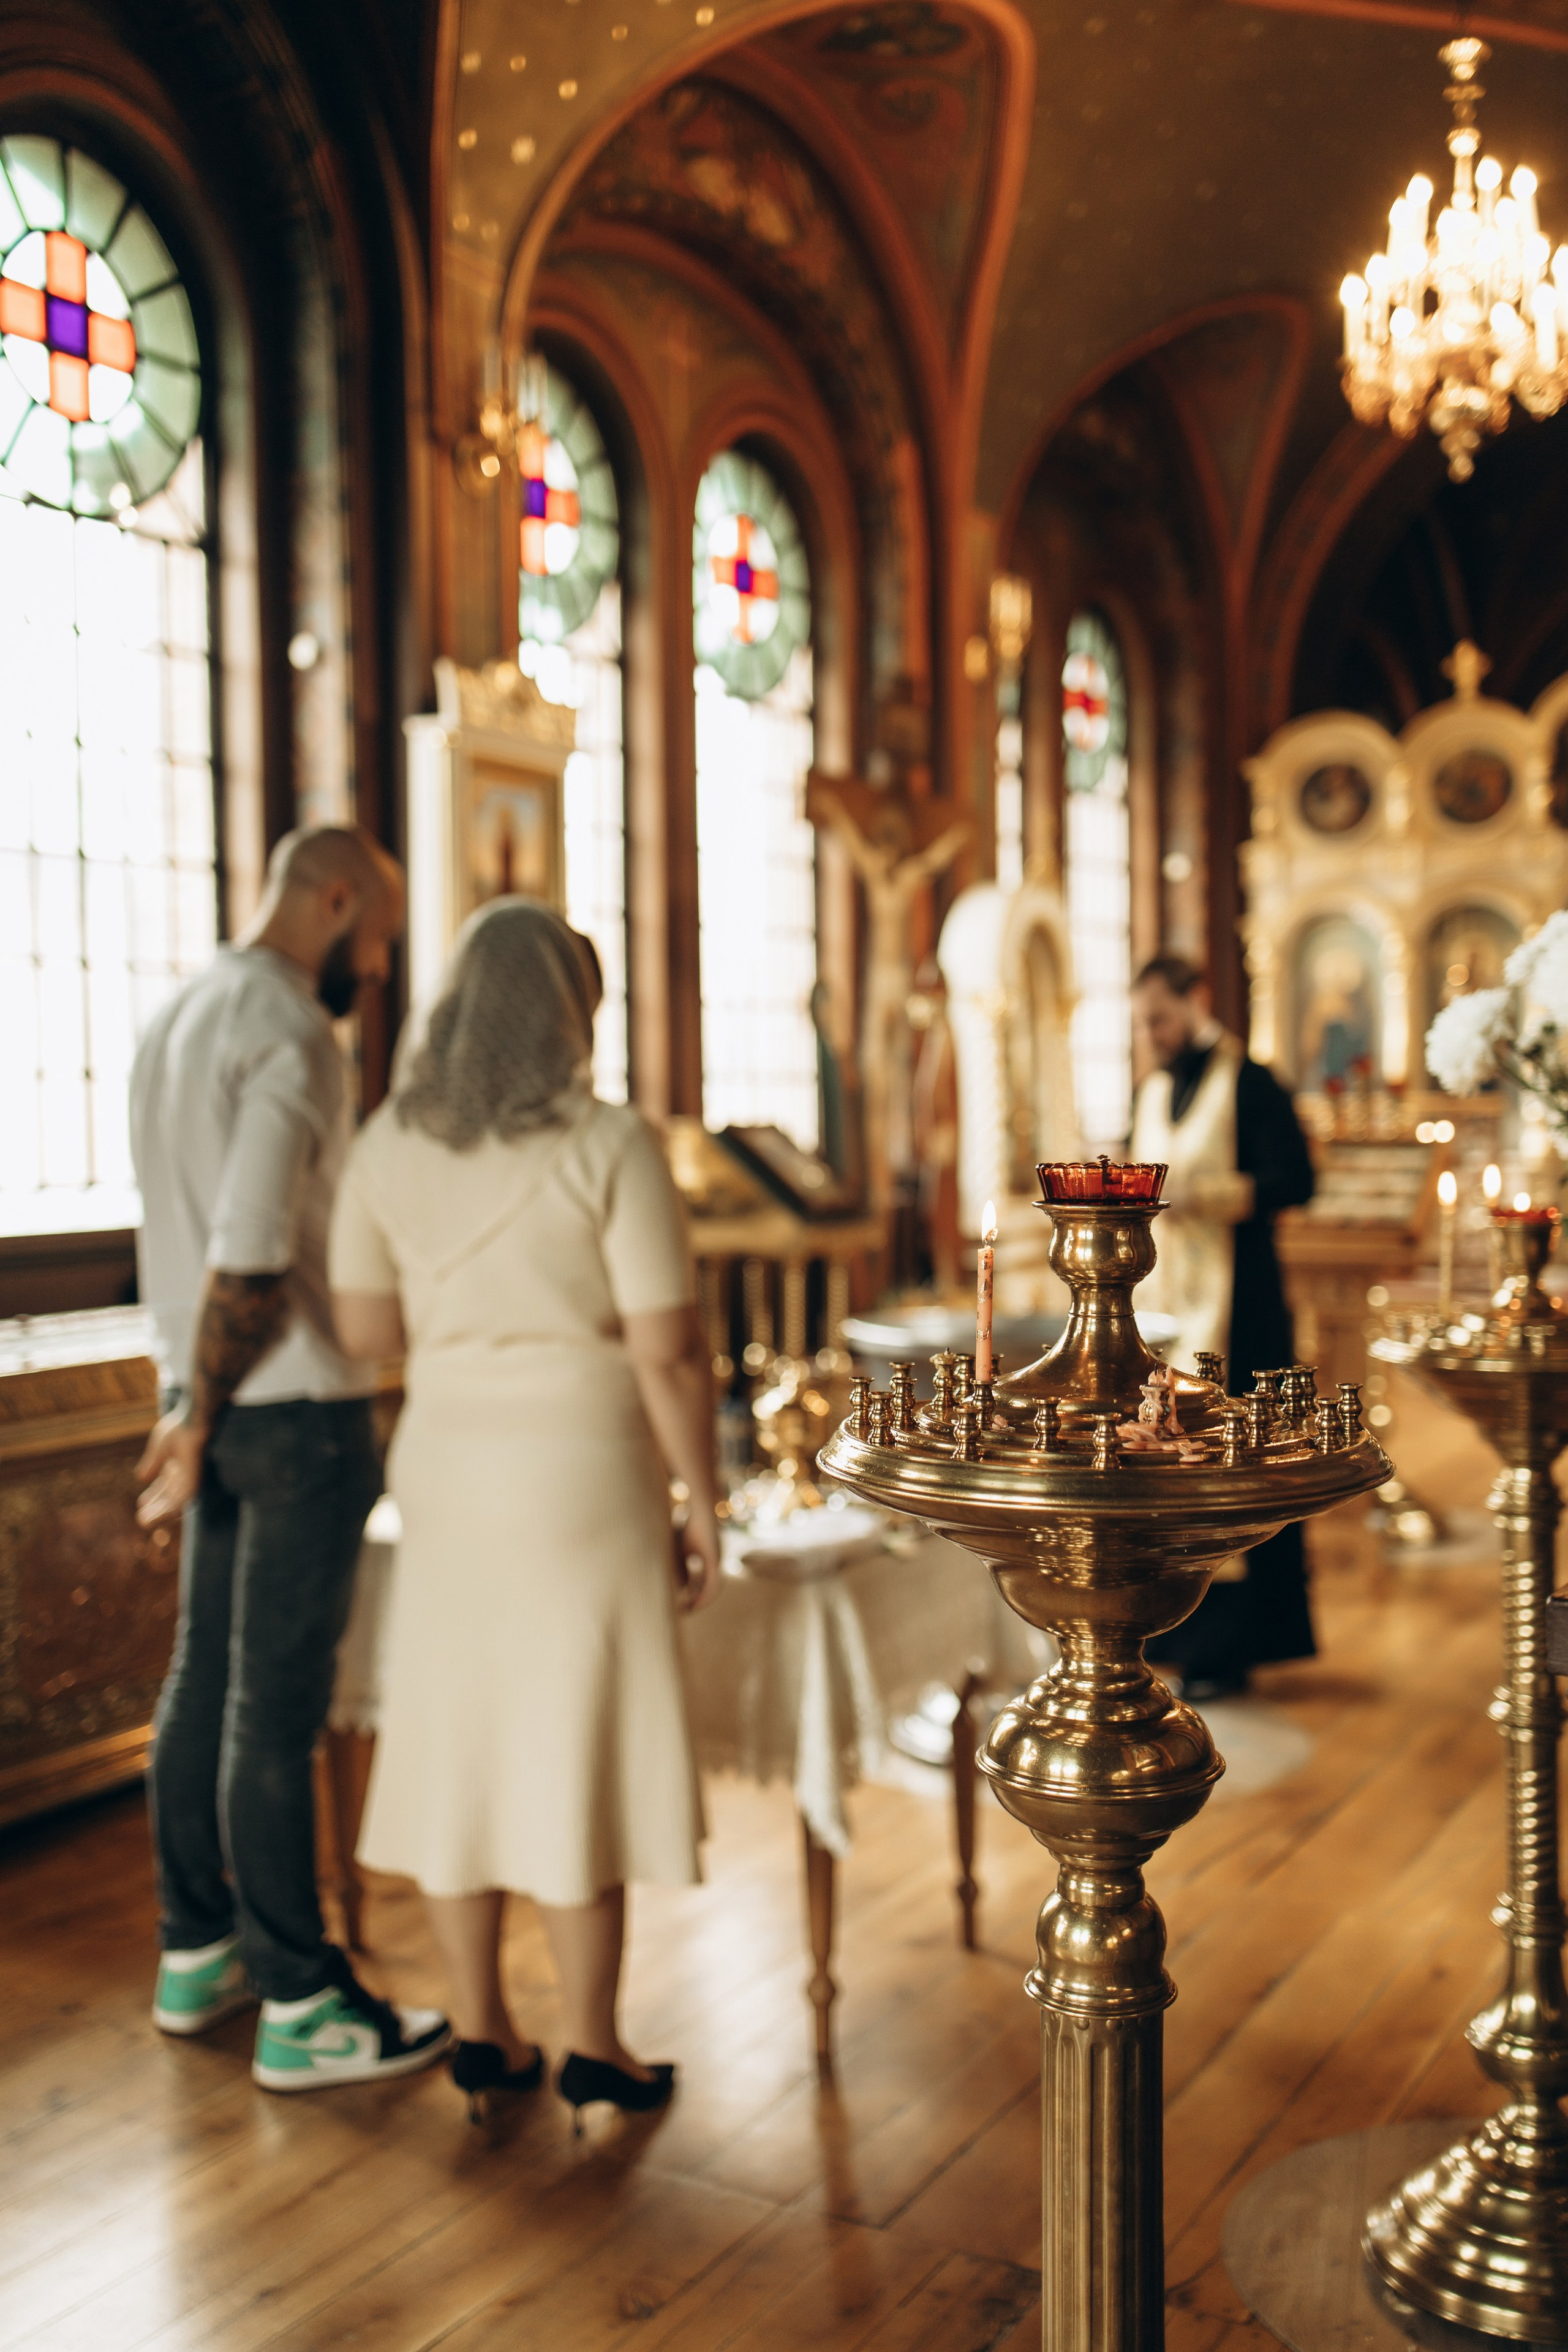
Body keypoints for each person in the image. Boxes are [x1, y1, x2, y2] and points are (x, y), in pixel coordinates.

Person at [327, 897, 722, 2127]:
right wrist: (702, 1499)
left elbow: (366, 1330)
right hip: (582, 1474)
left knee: (458, 1740)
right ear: (569, 1013)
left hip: (447, 1467)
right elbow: (667, 1348)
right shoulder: (610, 1143)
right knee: (575, 1737)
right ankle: (594, 2042)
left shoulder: (388, 1143)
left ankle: (483, 2031)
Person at [132, 824, 452, 2090]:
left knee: (201, 1680)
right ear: (333, 900)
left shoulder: (177, 1016)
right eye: (374, 941)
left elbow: (188, 1243)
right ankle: (304, 2002)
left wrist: (188, 1405)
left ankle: (196, 1948)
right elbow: (253, 1248)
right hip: (291, 1409)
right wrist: (205, 1411)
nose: (372, 970)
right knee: (272, 1709)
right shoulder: (290, 1032)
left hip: (204, 1397)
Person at [1129, 952, 1317, 1699]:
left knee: (1232, 1463)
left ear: (1195, 999)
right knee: (1165, 1458)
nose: (1151, 1034)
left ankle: (1234, 1645)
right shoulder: (1153, 1088)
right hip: (1163, 1306)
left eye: (1159, 1018)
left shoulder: (1251, 1082)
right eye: (1143, 1022)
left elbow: (1299, 1179)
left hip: (1241, 1305)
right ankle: (1170, 1635)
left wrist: (1217, 1194)